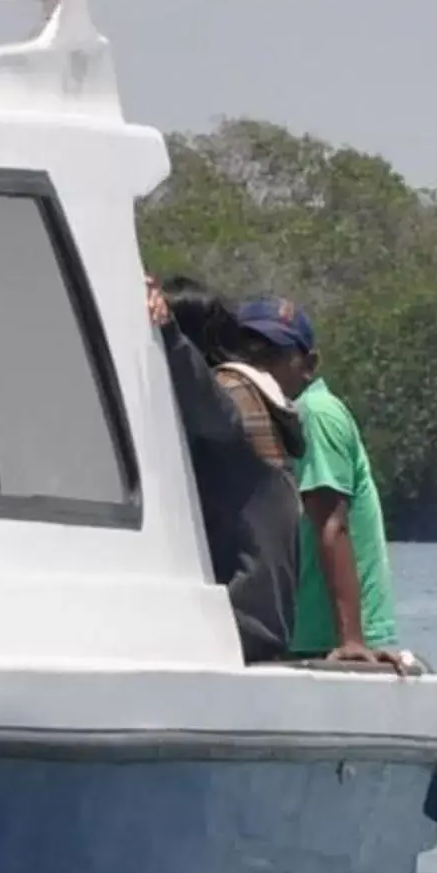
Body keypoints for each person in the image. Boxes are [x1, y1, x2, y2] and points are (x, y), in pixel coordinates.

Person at [229, 296, 412, 672]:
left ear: (309, 364)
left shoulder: (313, 414)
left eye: (274, 352)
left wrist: (350, 641)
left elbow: (332, 523)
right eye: (249, 351)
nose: (260, 364)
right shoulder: (272, 418)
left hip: (321, 638)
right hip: (302, 631)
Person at [147, 277, 300, 662]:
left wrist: (167, 335)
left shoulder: (230, 395)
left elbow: (206, 405)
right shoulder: (252, 394)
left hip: (237, 620)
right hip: (258, 621)